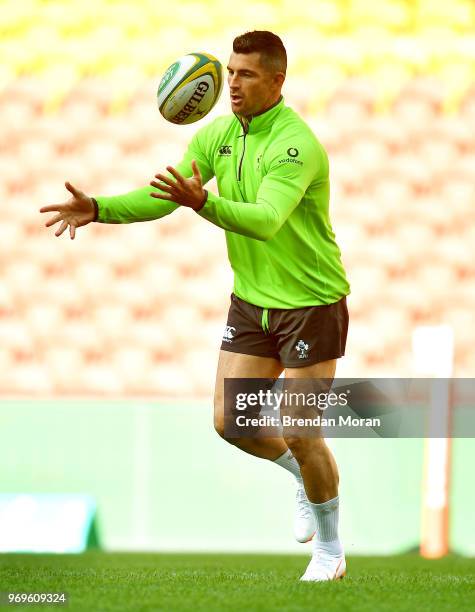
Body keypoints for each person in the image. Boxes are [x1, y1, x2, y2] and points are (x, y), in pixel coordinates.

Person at [40, 30, 350, 582]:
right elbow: (165, 194)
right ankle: (303, 476)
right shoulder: (216, 136)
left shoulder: (297, 145)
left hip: (311, 304)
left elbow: (264, 219)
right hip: (252, 303)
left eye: (246, 74)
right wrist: (101, 208)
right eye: (230, 71)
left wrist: (203, 202)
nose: (232, 83)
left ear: (277, 80)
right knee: (232, 422)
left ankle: (329, 551)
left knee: (302, 431)